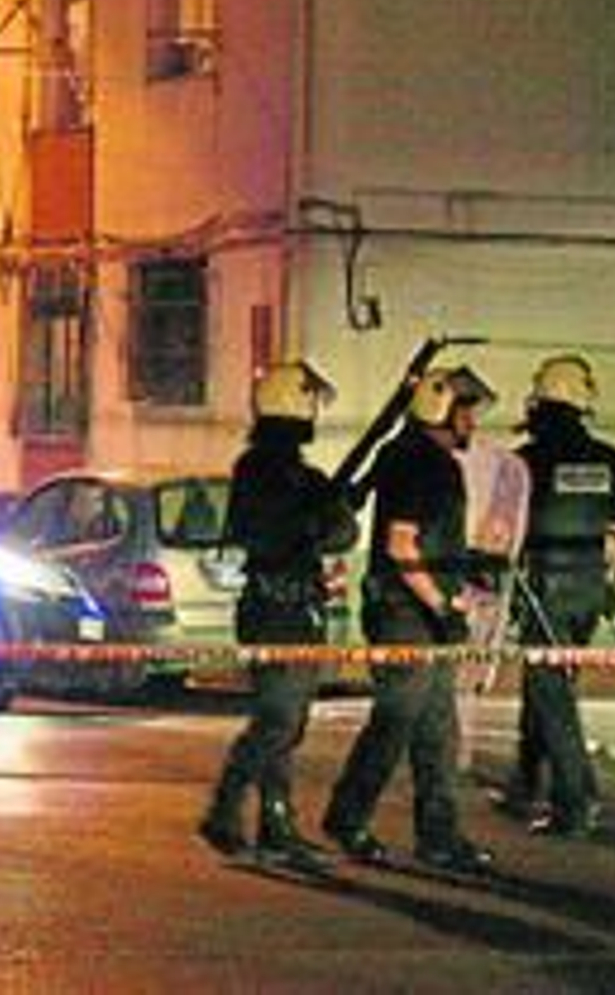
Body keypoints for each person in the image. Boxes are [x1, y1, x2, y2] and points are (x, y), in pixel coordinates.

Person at [320, 366, 496, 873]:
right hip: (408, 614)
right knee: (398, 720)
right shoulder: (427, 464)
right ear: (441, 410)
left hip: (410, 609)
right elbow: (402, 544)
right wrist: (444, 604)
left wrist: (464, 567)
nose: (472, 423)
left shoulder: (401, 453)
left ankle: (439, 837)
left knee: (438, 727)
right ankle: (348, 817)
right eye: (466, 411)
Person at [505, 353, 615, 838]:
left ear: (540, 403)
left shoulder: (526, 461)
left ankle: (576, 801)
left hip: (542, 588)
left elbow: (501, 534)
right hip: (590, 590)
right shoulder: (609, 460)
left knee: (551, 692)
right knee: (547, 686)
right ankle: (525, 783)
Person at [198, 360, 358, 867]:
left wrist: (329, 508)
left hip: (296, 607)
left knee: (288, 723)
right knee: (278, 720)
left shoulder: (302, 476)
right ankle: (225, 808)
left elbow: (343, 534)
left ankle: (276, 824)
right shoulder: (260, 471)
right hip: (274, 606)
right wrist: (311, 520)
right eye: (309, 401)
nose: (314, 411)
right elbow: (262, 532)